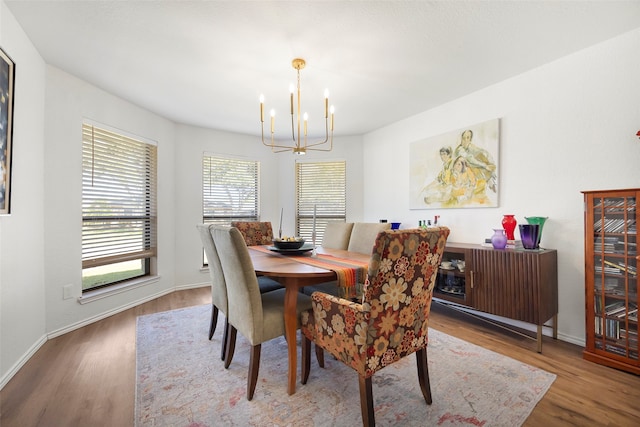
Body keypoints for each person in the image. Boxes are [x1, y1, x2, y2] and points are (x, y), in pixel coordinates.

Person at [453, 129, 497, 195]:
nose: (465, 140)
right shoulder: (460, 150)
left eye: (468, 138)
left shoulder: (469, 146)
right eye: (464, 138)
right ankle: (490, 182)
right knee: (477, 165)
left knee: (481, 155)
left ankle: (491, 180)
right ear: (461, 138)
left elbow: (481, 151)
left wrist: (489, 161)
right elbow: (470, 159)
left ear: (470, 139)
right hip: (462, 170)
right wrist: (485, 166)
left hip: (470, 166)